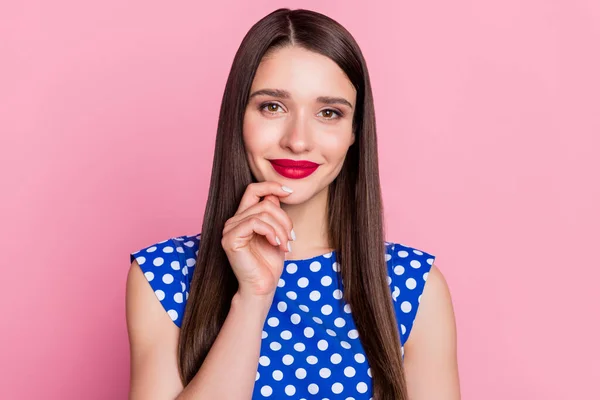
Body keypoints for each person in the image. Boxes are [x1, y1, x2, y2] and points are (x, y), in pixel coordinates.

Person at [126, 7, 460, 400]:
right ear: (239, 116)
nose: (298, 140)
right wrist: (252, 300)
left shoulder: (413, 287)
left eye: (329, 113)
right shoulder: (165, 275)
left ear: (354, 133)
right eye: (273, 106)